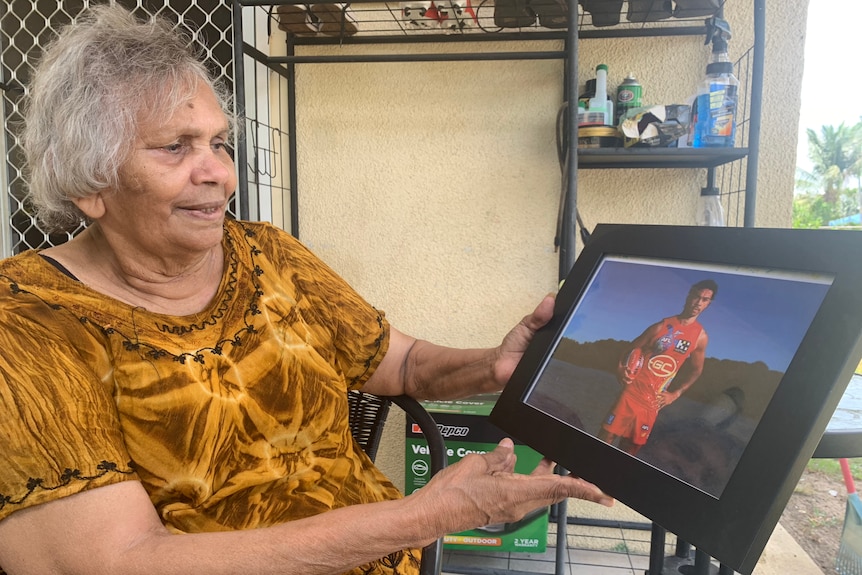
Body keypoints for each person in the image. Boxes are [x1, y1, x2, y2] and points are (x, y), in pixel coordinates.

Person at [0, 6, 612, 575]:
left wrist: (494, 365)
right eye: (174, 147)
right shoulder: (27, 325)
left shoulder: (267, 254)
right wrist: (428, 514)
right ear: (88, 181)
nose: (219, 172)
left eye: (217, 142)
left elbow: (399, 364)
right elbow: (116, 562)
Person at [597, 280, 717, 456]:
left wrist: (675, 394)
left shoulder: (700, 337)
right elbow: (630, 349)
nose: (699, 303)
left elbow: (696, 371)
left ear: (708, 304)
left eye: (705, 300)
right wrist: (620, 369)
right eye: (697, 297)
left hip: (653, 403)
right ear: (689, 294)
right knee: (603, 440)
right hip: (631, 393)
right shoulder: (662, 326)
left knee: (629, 451)